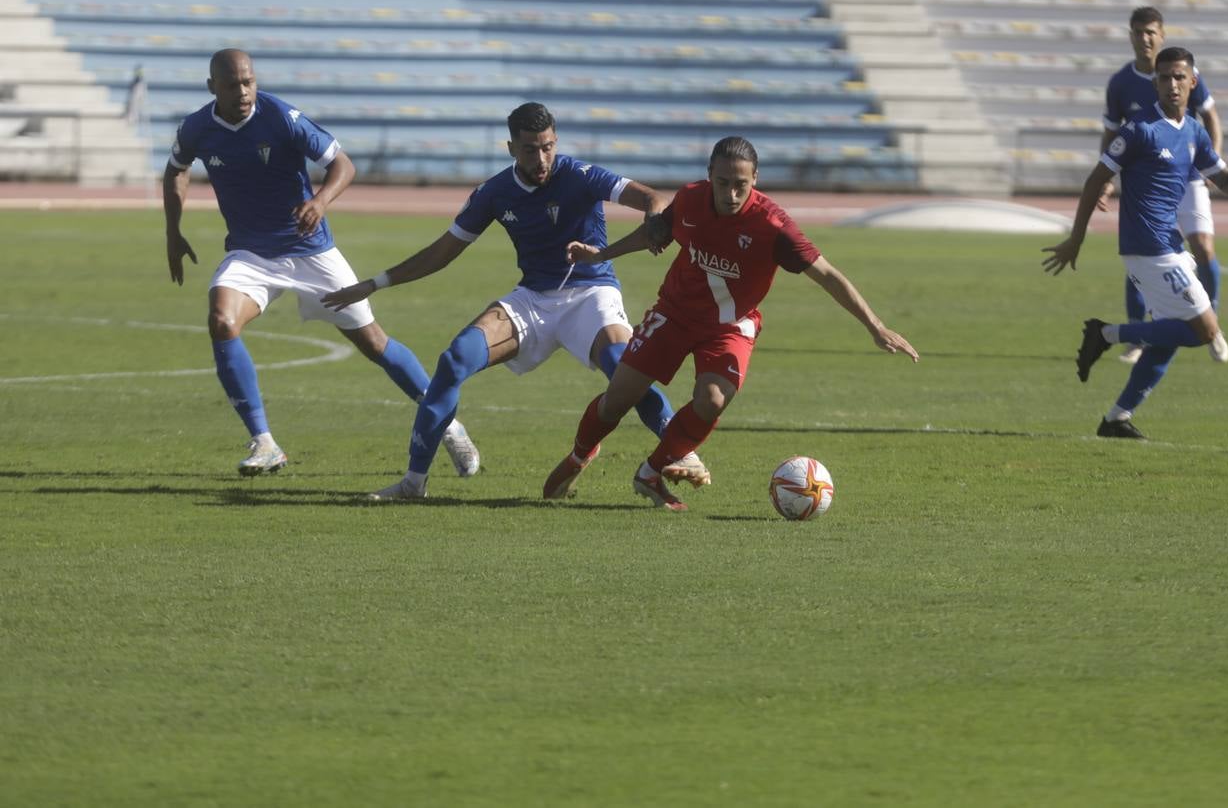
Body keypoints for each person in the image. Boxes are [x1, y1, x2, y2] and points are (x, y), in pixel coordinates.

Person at [322, 102, 703, 500]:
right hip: (534, 300)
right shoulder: (494, 192)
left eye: (548, 146)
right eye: (529, 150)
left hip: (592, 293)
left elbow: (650, 198)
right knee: (454, 359)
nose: (541, 159)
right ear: (510, 149)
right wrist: (375, 283)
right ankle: (413, 484)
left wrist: (655, 220)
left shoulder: (580, 174)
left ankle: (682, 451)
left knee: (623, 368)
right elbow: (443, 251)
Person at [542, 136, 919, 511]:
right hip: (674, 313)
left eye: (741, 184)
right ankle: (578, 456)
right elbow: (655, 233)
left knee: (713, 400)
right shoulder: (690, 199)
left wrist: (875, 326)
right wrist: (602, 255)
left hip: (729, 325)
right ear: (710, 176)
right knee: (617, 400)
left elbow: (826, 274)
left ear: (755, 179)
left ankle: (652, 472)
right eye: (723, 183)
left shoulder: (773, 225)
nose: (732, 193)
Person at [163, 48, 480, 477]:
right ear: (211, 87)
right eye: (233, 84)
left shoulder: (281, 118)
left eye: (249, 81)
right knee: (222, 321)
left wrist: (320, 201)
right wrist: (173, 231)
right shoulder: (198, 127)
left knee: (374, 344)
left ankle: (448, 425)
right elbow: (176, 169)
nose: (243, 91)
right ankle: (265, 442)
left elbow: (342, 165)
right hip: (252, 253)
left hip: (311, 251)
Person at [1041, 46, 1228, 440]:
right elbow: (1095, 180)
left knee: (1169, 337)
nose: (1171, 84)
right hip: (1147, 249)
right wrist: (1076, 239)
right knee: (1205, 330)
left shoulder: (1193, 130)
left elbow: (1225, 181)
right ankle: (1107, 334)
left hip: (1171, 246)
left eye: (1179, 77)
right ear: (1155, 82)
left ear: (1193, 82)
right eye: (1164, 77)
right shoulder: (1139, 129)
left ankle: (1116, 419)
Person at [1099, 6, 1224, 364]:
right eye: (1138, 32)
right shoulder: (1121, 83)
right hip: (1149, 182)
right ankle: (1137, 334)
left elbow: (1211, 117)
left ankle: (1212, 322)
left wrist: (1212, 162)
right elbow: (1111, 134)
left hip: (1189, 174)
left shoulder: (1184, 71)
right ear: (1131, 36)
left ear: (1162, 35)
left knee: (1204, 248)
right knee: (1143, 258)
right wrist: (1106, 179)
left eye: (1151, 32)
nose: (1145, 38)